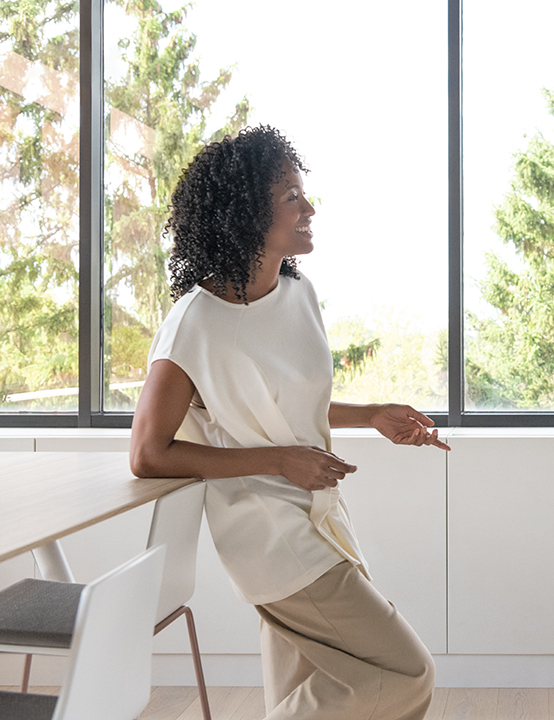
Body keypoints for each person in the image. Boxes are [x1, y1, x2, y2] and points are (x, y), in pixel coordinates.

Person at [129, 126, 444, 719]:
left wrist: (372, 414)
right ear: (247, 212)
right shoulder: (194, 324)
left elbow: (284, 405)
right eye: (291, 197)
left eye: (304, 194)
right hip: (269, 533)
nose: (309, 208)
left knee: (312, 689)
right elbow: (148, 452)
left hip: (321, 516)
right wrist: (279, 461)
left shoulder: (299, 294)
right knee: (407, 671)